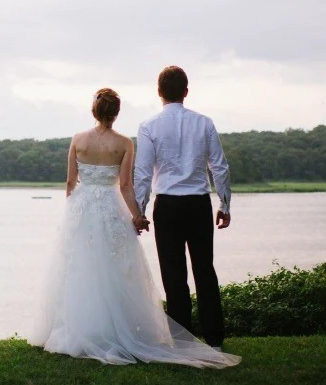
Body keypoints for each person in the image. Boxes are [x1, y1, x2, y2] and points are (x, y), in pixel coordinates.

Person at [28, 88, 239, 367]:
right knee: (200, 268)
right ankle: (212, 336)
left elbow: (72, 182)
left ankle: (178, 335)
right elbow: (127, 184)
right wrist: (138, 214)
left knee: (89, 268)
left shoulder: (84, 139)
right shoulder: (129, 142)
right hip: (194, 203)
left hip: (105, 208)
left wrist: (77, 208)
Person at [134, 66, 231, 350]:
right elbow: (219, 167)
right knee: (205, 271)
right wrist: (224, 203)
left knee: (173, 275)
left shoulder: (149, 126)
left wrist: (140, 211)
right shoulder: (204, 123)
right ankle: (214, 339)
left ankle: (182, 341)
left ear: (159, 92)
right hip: (199, 204)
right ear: (186, 92)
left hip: (167, 206)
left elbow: (142, 173)